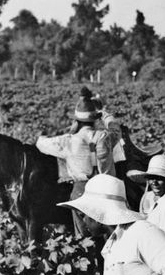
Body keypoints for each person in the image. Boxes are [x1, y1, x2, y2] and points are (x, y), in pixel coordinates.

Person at [36, 91, 115, 237]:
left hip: (82, 190)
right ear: (95, 120)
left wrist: (48, 134)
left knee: (84, 235)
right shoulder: (106, 136)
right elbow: (115, 130)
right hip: (107, 189)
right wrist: (105, 115)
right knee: (109, 233)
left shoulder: (69, 141)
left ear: (76, 121)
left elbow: (41, 144)